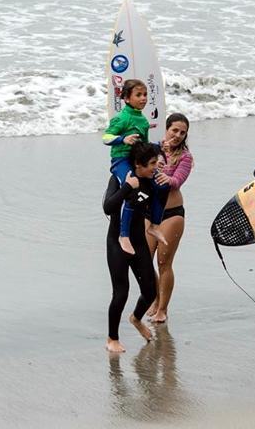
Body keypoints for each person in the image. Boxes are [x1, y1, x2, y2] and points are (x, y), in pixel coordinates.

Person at [103, 142, 168, 353]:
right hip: (117, 241)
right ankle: (112, 338)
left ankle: (136, 318)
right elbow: (108, 206)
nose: (154, 168)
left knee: (150, 291)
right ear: (138, 165)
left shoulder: (151, 182)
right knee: (121, 292)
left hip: (138, 240)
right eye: (151, 164)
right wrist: (127, 187)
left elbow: (157, 201)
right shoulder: (120, 178)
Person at [102, 79, 167, 255]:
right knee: (132, 186)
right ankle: (124, 235)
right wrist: (122, 139)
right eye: (138, 95)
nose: (144, 98)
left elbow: (144, 146)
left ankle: (154, 225)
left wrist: (158, 151)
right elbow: (106, 137)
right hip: (121, 161)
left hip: (135, 159)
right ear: (127, 98)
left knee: (162, 184)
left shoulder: (143, 121)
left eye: (145, 94)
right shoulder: (122, 118)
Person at [145, 113, 194, 323]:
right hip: (150, 214)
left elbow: (176, 180)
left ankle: (163, 308)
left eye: (182, 133)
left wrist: (167, 174)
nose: (178, 135)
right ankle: (155, 298)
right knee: (144, 261)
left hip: (172, 214)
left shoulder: (185, 157)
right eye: (174, 130)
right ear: (166, 129)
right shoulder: (154, 149)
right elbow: (142, 171)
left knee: (164, 262)